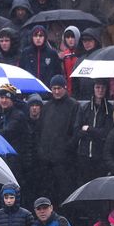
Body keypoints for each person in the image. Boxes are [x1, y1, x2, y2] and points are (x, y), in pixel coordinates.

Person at [36, 75, 77, 204]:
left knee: (65, 195)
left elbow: (76, 131)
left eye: (59, 88)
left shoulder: (73, 106)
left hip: (65, 161)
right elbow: (40, 130)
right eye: (54, 88)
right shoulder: (47, 107)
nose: (57, 91)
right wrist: (41, 151)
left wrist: (66, 149)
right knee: (47, 194)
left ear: (65, 88)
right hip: (46, 160)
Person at [73, 80, 114, 184]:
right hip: (84, 154)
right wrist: (94, 133)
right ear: (93, 89)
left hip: (100, 155)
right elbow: (77, 130)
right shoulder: (84, 108)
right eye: (97, 87)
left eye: (103, 88)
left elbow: (107, 132)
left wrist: (89, 129)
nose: (100, 90)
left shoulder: (110, 109)